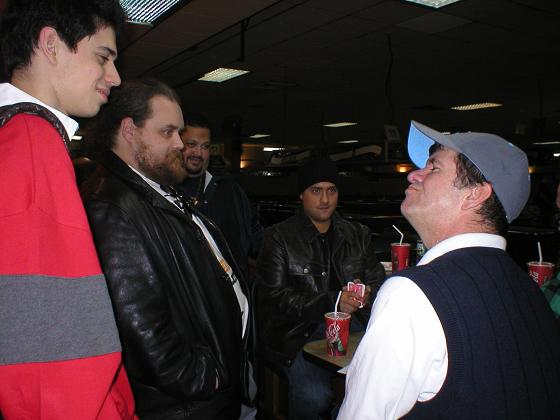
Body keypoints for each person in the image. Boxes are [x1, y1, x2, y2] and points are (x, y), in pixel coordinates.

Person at [339, 121, 560, 419]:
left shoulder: (413, 294)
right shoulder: (530, 290)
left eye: (434, 167)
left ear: (474, 194)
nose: (414, 174)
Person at [81, 78, 252, 420]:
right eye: (168, 132)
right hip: (193, 402)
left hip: (216, 385)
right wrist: (207, 378)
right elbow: (141, 328)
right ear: (130, 131)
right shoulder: (113, 206)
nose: (179, 144)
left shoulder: (155, 188)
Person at [0, 1, 136, 418]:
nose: (114, 77)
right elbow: (52, 360)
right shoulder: (32, 142)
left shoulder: (13, 135)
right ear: (51, 45)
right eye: (103, 57)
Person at [256, 157, 386, 419]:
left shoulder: (357, 234)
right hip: (297, 333)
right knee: (315, 397)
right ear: (301, 195)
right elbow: (273, 298)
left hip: (353, 326)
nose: (325, 199)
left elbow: (377, 281)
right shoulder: (278, 237)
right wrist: (334, 301)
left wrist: (367, 294)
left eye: (331, 190)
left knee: (385, 382)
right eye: (316, 190)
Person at [176, 112, 263, 280]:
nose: (198, 153)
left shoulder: (230, 190)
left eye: (205, 146)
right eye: (191, 144)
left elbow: (255, 237)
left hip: (233, 289)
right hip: (188, 288)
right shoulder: (163, 190)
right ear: (177, 144)